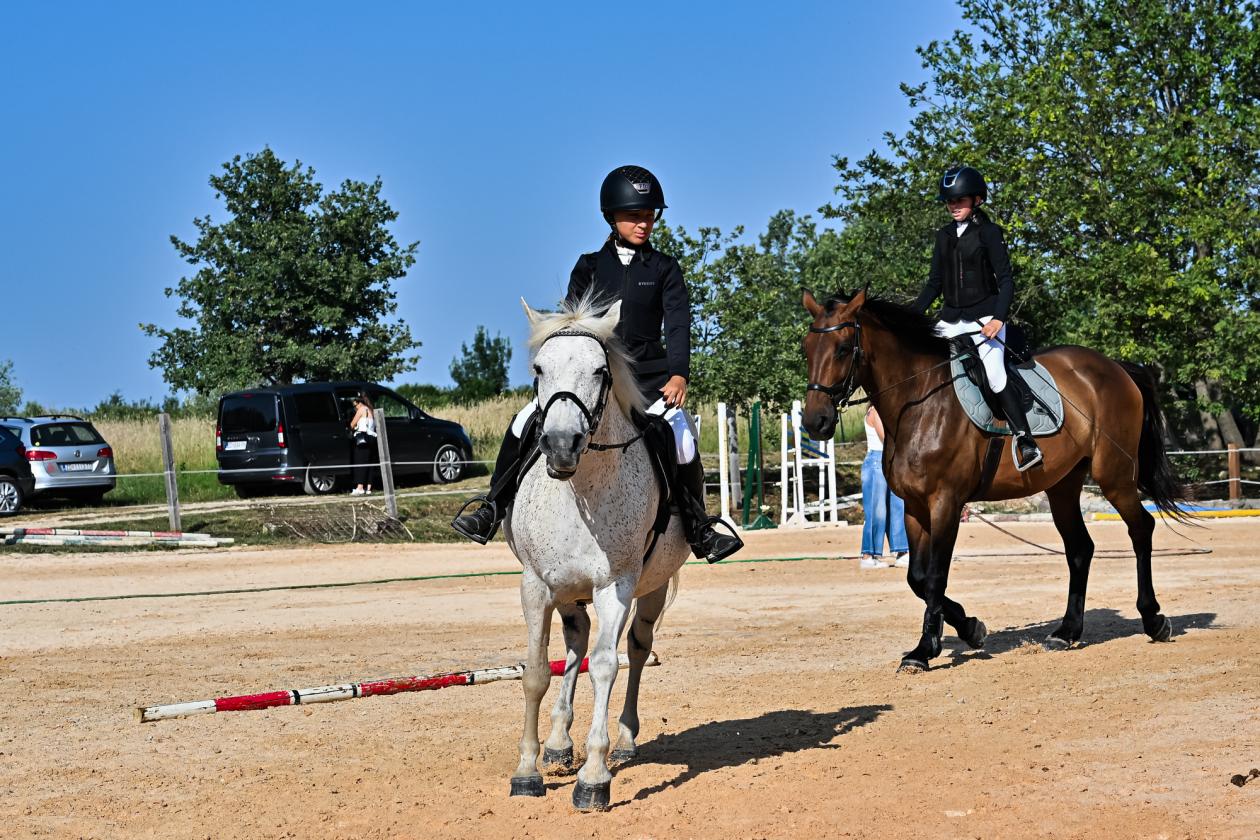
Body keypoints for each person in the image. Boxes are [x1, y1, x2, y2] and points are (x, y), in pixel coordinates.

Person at [451, 165, 743, 563]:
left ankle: (699, 527)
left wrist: (679, 374)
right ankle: (492, 506)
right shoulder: (589, 265)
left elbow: (677, 325)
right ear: (612, 217)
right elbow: (570, 325)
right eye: (636, 216)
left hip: (649, 382)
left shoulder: (664, 270)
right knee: (522, 422)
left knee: (683, 437)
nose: (645, 224)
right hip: (592, 380)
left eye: (650, 216)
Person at [912, 165, 1043, 471]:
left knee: (995, 374)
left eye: (959, 200)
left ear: (977, 200)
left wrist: (999, 318)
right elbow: (934, 284)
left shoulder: (989, 232)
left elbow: (1007, 281)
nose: (953, 206)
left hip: (985, 318)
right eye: (949, 201)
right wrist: (911, 319)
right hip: (950, 319)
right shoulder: (943, 236)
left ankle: (1026, 440)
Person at [860, 406, 909, 569]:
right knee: (876, 512)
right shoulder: (875, 411)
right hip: (876, 461)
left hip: (890, 462)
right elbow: (885, 438)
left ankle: (901, 551)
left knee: (898, 507)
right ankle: (868, 555)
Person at [349, 392, 377, 496]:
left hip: (362, 440)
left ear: (359, 402)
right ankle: (368, 488)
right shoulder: (370, 410)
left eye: (355, 405)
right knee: (369, 463)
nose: (355, 407)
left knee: (360, 462)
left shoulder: (361, 410)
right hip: (371, 439)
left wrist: (353, 427)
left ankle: (359, 487)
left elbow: (352, 424)